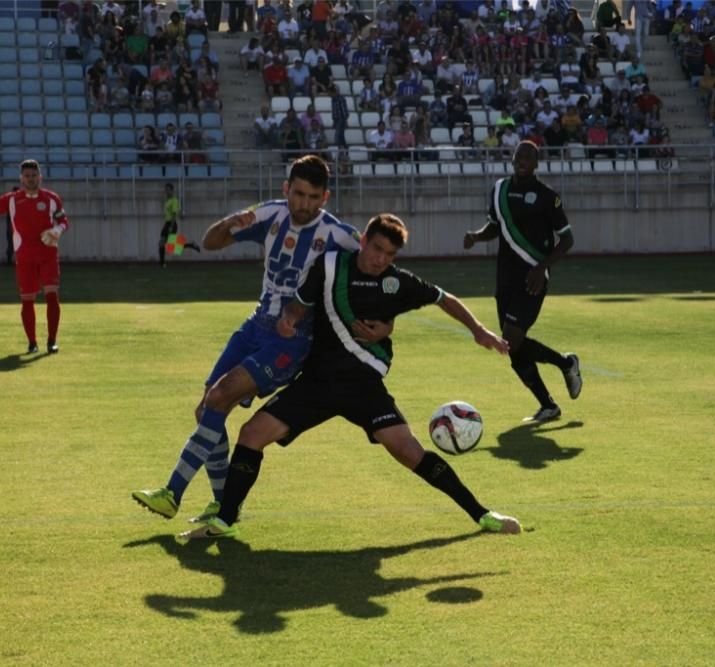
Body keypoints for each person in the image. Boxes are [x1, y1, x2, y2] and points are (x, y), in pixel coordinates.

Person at [178, 213, 521, 541]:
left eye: (389, 254)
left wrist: (478, 330)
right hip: (317, 383)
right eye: (376, 249)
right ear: (364, 241)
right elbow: (299, 303)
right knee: (251, 433)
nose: (380, 259)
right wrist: (289, 319)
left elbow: (444, 298)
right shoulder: (330, 267)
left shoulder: (396, 282)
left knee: (409, 451)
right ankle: (225, 520)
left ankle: (482, 514)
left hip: (363, 387)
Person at [132, 156, 390, 522]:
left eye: (313, 196)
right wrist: (230, 223)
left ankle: (172, 493)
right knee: (207, 409)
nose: (303, 204)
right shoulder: (269, 214)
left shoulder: (339, 236)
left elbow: (381, 274)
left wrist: (386, 322)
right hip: (256, 325)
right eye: (297, 193)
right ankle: (224, 508)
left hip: (292, 340)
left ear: (325, 197)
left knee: (219, 397)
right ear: (286, 189)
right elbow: (210, 242)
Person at [462, 141, 582, 423]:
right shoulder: (500, 189)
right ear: (512, 158)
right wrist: (477, 237)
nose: (522, 160)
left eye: (528, 157)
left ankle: (566, 364)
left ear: (537, 163)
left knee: (512, 337)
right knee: (509, 344)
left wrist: (541, 268)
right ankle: (549, 405)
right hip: (504, 277)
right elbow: (495, 226)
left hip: (532, 278)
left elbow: (567, 239)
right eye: (518, 156)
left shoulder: (547, 196)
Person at [0, 160, 69, 354]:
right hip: (24, 256)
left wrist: (57, 230)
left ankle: (52, 341)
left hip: (48, 254)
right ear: (21, 178)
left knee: (52, 295)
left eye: (34, 176)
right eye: (27, 176)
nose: (31, 179)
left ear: (40, 177)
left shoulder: (52, 198)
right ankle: (32, 342)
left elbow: (63, 220)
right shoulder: (12, 199)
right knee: (27, 299)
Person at [159, 183, 201, 267]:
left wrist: (171, 226)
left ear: (172, 190)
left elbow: (174, 214)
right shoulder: (167, 201)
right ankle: (162, 264)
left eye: (168, 190)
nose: (167, 192)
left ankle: (191, 245)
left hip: (171, 223)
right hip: (166, 223)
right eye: (166, 190)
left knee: (172, 246)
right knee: (162, 243)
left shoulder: (174, 201)